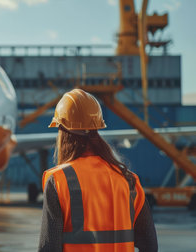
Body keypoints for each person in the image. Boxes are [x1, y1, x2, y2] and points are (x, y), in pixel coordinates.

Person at [38, 89, 157, 251]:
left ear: (63, 132)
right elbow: (149, 244)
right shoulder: (128, 180)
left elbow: (49, 247)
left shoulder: (58, 180)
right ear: (97, 128)